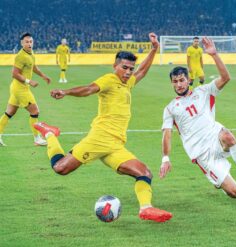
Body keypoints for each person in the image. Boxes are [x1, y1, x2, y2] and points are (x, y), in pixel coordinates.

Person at [34, 33, 172, 222]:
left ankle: (146, 208)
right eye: (124, 68)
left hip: (116, 144)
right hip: (100, 138)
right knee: (60, 168)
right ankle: (50, 134)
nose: (128, 72)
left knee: (144, 172)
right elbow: (89, 89)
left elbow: (142, 72)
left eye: (130, 68)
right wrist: (65, 92)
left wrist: (154, 49)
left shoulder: (127, 82)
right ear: (115, 66)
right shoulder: (109, 79)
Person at [160, 37, 236, 199]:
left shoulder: (204, 91)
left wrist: (214, 55)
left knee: (228, 136)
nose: (179, 84)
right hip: (201, 153)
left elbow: (226, 78)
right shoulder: (170, 108)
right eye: (175, 82)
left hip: (214, 136)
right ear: (171, 84)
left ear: (189, 79)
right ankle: (219, 182)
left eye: (182, 80)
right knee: (235, 193)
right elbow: (167, 134)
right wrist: (165, 158)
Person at [0, 33, 51, 146]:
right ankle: (37, 139)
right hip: (20, 89)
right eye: (26, 42)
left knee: (9, 113)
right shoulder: (20, 56)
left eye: (31, 41)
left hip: (16, 88)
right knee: (35, 111)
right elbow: (14, 73)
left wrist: (43, 76)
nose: (29, 44)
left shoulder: (31, 53)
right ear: (22, 43)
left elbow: (33, 66)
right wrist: (29, 81)